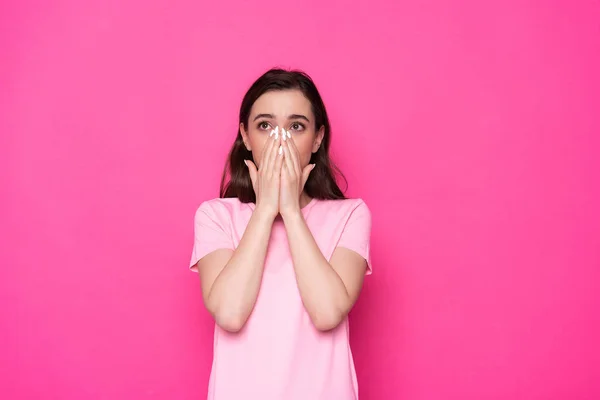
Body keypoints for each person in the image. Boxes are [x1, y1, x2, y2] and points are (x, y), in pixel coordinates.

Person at [189, 68, 372, 400]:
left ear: (317, 138)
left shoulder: (350, 215)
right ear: (245, 136)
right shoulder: (215, 216)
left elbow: (328, 312)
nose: (280, 140)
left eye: (296, 126)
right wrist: (264, 210)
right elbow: (230, 313)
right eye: (265, 126)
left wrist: (289, 210)